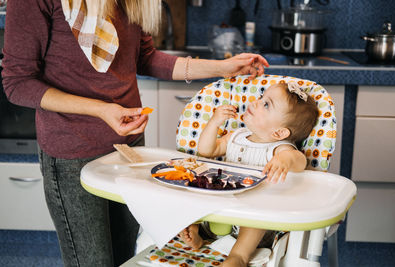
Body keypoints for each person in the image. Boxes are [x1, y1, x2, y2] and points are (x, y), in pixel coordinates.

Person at [1, 0, 269, 266]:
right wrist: (102, 110)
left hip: (128, 151)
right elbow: (18, 83)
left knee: (126, 257)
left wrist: (222, 67)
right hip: (72, 153)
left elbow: (145, 58)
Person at [179, 82, 319, 267]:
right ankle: (199, 235)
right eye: (261, 97)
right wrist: (214, 122)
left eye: (266, 104)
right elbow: (206, 150)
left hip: (253, 217)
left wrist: (285, 160)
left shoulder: (279, 149)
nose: (255, 102)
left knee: (258, 220)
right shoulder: (236, 136)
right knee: (196, 196)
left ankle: (238, 256)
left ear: (279, 132)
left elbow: (299, 160)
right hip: (222, 205)